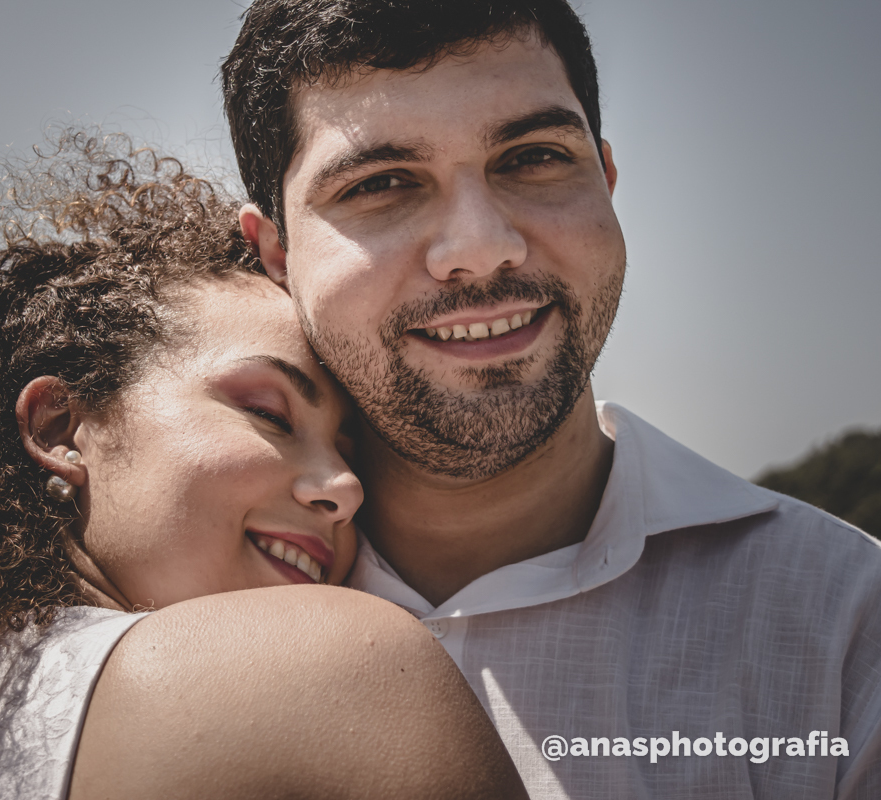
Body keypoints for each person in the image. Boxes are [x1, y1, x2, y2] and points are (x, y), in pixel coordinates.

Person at [0, 135, 526, 799]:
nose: (343, 490)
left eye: (350, 453)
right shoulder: (347, 667)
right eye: (270, 414)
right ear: (60, 426)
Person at [217, 1, 881, 797]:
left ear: (605, 180)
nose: (482, 247)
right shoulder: (172, 618)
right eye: (382, 183)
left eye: (533, 157)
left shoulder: (847, 623)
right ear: (277, 252)